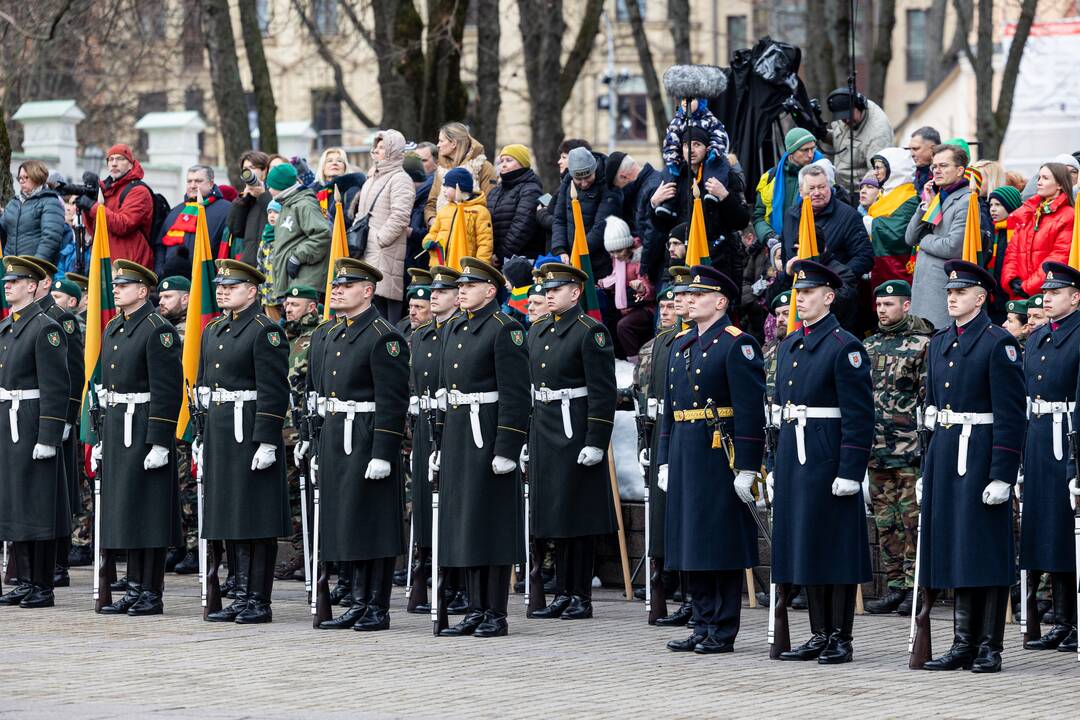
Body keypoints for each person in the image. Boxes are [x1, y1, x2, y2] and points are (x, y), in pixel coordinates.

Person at [918, 260, 1025, 673]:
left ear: (980, 298)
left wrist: (1002, 474)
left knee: (984, 549)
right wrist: (927, 469)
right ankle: (962, 641)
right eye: (949, 292)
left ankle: (988, 645)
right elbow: (931, 411)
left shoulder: (998, 343)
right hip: (947, 453)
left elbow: (1011, 415)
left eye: (960, 292)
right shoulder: (941, 341)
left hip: (980, 453)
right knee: (956, 549)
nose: (952, 298)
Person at [656, 265, 765, 654]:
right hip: (687, 448)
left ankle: (722, 627)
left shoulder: (737, 344)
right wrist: (665, 458)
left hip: (720, 452)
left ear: (720, 302)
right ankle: (701, 621)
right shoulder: (682, 344)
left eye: (698, 295)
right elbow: (670, 409)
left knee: (718, 541)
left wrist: (748, 467)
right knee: (689, 540)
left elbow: (751, 411)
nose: (688, 300)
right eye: (687, 295)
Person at [771, 259, 873, 664]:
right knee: (806, 545)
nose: (801, 298)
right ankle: (817, 633)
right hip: (796, 456)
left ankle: (839, 636)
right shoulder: (792, 344)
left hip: (827, 455)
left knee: (834, 548)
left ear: (829, 298)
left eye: (808, 292)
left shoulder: (843, 345)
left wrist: (850, 471)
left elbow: (859, 415)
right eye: (798, 292)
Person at [306, 259, 409, 631]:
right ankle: (355, 600)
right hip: (337, 433)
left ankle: (375, 606)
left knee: (371, 521)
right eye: (335, 286)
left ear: (368, 291)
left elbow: (393, 400)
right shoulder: (334, 333)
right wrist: (317, 446)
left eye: (346, 286)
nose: (336, 291)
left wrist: (383, 452)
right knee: (346, 520)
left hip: (365, 434)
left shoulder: (383, 335)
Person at [435, 257, 530, 638]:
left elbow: (516, 394)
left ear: (490, 291)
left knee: (490, 522)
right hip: (459, 432)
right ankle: (474, 607)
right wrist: (440, 440)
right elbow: (446, 392)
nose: (461, 291)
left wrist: (507, 446)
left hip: (487, 431)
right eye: (460, 286)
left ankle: (495, 611)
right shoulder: (456, 327)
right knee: (466, 523)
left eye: (469, 286)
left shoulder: (505, 330)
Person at [198, 259, 290, 624]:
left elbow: (273, 390)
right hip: (221, 429)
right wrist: (202, 435)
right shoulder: (215, 330)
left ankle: (257, 599)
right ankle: (238, 593)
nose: (222, 290)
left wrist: (267, 439)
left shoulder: (264, 331)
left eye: (231, 286)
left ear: (252, 292)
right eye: (220, 286)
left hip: (249, 428)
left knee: (254, 516)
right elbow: (206, 386)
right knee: (229, 515)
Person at [526, 262, 616, 622]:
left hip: (573, 427)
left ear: (575, 293)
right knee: (553, 514)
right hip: (544, 426)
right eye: (546, 290)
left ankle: (579, 594)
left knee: (576, 516)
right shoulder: (537, 331)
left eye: (556, 289)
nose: (549, 294)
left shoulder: (589, 332)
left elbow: (602, 390)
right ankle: (561, 591)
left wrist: (596, 439)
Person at [91, 260, 182, 615]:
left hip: (143, 424)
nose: (116, 290)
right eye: (116, 285)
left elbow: (167, 389)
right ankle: (132, 588)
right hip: (118, 425)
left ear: (143, 291)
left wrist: (160, 439)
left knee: (148, 510)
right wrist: (101, 437)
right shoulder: (115, 326)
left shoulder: (157, 329)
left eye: (124, 285)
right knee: (125, 509)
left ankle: (150, 591)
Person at [0, 256, 70, 609]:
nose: (8, 284)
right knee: (15, 502)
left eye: (17, 280)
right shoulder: (8, 328)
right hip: (8, 419)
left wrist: (48, 437)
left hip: (29, 419)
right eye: (7, 280)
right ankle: (25, 579)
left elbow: (56, 387)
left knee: (37, 503)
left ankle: (42, 584)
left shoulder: (45, 327)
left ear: (33, 285)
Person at [1018, 261, 1080, 651]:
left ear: (1075, 298)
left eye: (1055, 293)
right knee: (1048, 532)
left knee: (1070, 532)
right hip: (1040, 439)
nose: (1047, 298)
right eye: (1046, 292)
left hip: (1067, 439)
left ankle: (1074, 620)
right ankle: (1061, 620)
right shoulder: (1038, 338)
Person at [861, 280, 932, 616]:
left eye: (889, 305)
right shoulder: (869, 345)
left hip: (908, 450)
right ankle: (893, 586)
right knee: (885, 522)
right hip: (875, 450)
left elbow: (927, 399)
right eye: (879, 305)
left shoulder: (923, 345)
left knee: (911, 523)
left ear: (906, 306)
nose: (882, 311)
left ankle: (913, 587)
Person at [21, 257, 83, 589]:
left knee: (55, 494)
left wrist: (66, 420)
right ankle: (27, 568)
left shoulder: (60, 321)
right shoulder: (25, 319)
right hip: (31, 419)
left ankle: (58, 563)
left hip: (54, 419)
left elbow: (70, 377)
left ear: (41, 282)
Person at [406, 265, 461, 614]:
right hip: (425, 426)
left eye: (439, 292)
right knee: (425, 507)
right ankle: (428, 578)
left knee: (453, 507)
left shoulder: (457, 332)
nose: (432, 297)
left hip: (453, 425)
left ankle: (456, 585)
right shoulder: (423, 336)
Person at [779, 163, 874, 331]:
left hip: (835, 304)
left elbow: (865, 257)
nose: (817, 193)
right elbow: (787, 253)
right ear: (801, 191)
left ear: (830, 187)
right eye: (812, 188)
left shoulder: (848, 216)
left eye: (822, 187)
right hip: (797, 300)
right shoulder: (791, 215)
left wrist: (837, 278)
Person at [652, 128, 749, 284]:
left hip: (717, 263)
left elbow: (741, 221)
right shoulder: (675, 177)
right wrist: (654, 204)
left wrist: (724, 196)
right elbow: (663, 228)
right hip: (682, 265)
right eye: (686, 145)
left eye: (697, 144)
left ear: (707, 148)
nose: (691, 150)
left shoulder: (723, 176)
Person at [271, 284, 321, 582]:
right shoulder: (280, 338)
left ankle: (317, 554)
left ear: (311, 307)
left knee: (312, 494)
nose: (288, 308)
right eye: (286, 303)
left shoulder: (317, 337)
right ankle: (301, 554)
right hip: (280, 430)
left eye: (295, 304)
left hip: (305, 431)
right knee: (292, 499)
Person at [905, 143, 978, 330]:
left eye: (943, 166)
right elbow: (910, 238)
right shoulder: (936, 197)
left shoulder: (966, 200)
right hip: (923, 291)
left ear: (960, 170)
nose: (936, 171)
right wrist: (924, 207)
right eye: (934, 166)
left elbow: (953, 246)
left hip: (941, 293)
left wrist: (925, 240)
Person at [155, 275, 198, 574]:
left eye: (168, 297)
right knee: (169, 487)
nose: (161, 302)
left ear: (186, 299)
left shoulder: (194, 329)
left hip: (188, 416)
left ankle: (195, 546)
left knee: (189, 485)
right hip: (167, 414)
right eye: (160, 297)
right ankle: (177, 543)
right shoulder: (158, 330)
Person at [351, 129, 415, 324]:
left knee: (385, 307)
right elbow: (361, 213)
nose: (377, 150)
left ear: (393, 150)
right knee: (369, 303)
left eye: (382, 147)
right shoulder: (372, 179)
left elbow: (401, 215)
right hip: (366, 250)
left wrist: (381, 239)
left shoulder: (400, 179)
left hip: (384, 251)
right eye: (376, 146)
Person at [1002, 163, 1076, 299]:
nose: (1039, 182)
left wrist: (1028, 287)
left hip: (1049, 295)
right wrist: (1011, 280)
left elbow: (1059, 257)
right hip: (1019, 296)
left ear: (1060, 184)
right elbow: (1012, 252)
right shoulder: (1028, 212)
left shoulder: (1068, 215)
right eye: (1039, 178)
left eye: (1045, 178)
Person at [550, 147, 622, 279]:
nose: (583, 183)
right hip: (572, 257)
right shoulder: (567, 182)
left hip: (599, 259)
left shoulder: (608, 184)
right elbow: (559, 219)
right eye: (578, 179)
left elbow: (601, 226)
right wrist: (560, 249)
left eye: (588, 177)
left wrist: (578, 253)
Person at [266, 162, 331, 307]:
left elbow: (322, 234)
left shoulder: (304, 204)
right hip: (293, 279)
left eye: (270, 185)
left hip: (305, 279)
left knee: (304, 324)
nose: (268, 189)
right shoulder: (288, 204)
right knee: (293, 325)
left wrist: (297, 257)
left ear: (280, 186)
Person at [79, 144, 155, 267]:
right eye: (111, 159)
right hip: (104, 262)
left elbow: (123, 225)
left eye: (120, 159)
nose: (114, 163)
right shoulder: (105, 190)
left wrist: (93, 206)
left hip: (129, 266)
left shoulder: (139, 191)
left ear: (130, 164)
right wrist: (86, 210)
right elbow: (93, 230)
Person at [154, 165, 232, 276]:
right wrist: (160, 272)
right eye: (189, 181)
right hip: (173, 282)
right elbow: (160, 246)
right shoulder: (175, 211)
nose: (192, 185)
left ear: (211, 183)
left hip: (207, 281)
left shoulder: (226, 209)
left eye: (198, 181)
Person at [753, 128, 822, 248]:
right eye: (805, 150)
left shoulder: (823, 174)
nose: (811, 155)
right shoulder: (770, 177)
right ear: (791, 152)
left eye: (813, 149)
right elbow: (759, 216)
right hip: (778, 248)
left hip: (812, 245)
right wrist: (770, 236)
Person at [598, 216, 654, 360]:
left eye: (619, 251)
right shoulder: (618, 260)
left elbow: (648, 287)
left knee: (624, 326)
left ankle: (634, 362)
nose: (616, 255)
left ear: (628, 245)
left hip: (644, 307)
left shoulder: (639, 258)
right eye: (613, 252)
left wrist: (641, 288)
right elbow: (615, 278)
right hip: (625, 306)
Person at [424, 123, 498, 227]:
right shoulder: (441, 169)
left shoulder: (483, 167)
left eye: (441, 141)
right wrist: (432, 220)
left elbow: (490, 204)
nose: (438, 145)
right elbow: (431, 203)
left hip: (471, 233)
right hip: (441, 234)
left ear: (454, 143)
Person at [865, 148, 919, 287]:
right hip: (881, 265)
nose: (875, 172)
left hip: (898, 268)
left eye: (878, 168)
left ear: (893, 169)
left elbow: (900, 234)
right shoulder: (886, 193)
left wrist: (874, 225)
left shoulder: (909, 199)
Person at [822, 88, 894, 193]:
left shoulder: (878, 133)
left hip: (860, 192)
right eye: (842, 118)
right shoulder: (850, 119)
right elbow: (841, 143)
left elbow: (877, 173)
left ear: (860, 106)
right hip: (841, 187)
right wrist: (823, 134)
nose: (846, 121)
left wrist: (864, 196)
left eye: (849, 116)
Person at [423, 167, 494, 269]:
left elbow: (485, 243)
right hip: (440, 266)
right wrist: (428, 241)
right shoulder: (445, 210)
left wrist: (480, 268)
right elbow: (434, 232)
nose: (444, 191)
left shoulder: (480, 212)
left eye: (448, 187)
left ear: (459, 188)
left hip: (464, 268)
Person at [487, 144, 544, 262]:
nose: (503, 164)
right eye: (501, 160)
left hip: (520, 260)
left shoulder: (530, 189)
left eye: (509, 160)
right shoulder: (495, 191)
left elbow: (522, 227)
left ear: (522, 163)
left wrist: (501, 255)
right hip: (495, 259)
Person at [3, 160, 65, 263]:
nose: (22, 181)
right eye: (20, 178)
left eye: (26, 177)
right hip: (11, 268)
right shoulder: (13, 203)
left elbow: (50, 239)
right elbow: (3, 231)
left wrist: (35, 266)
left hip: (35, 270)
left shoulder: (50, 202)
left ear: (37, 176)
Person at [227, 150, 272, 266]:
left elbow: (277, 220)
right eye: (245, 168)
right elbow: (236, 230)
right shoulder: (246, 199)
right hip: (249, 262)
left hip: (269, 261)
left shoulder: (275, 195)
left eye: (252, 167)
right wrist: (243, 200)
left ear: (264, 171)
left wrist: (263, 195)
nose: (248, 172)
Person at [313, 146, 366, 226]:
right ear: (323, 167)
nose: (334, 163)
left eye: (339, 161)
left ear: (345, 167)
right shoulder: (313, 191)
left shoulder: (352, 190)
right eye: (329, 161)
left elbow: (348, 222)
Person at [403, 155, 434, 274]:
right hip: (411, 259)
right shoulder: (412, 196)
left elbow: (435, 232)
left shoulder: (428, 197)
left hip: (422, 262)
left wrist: (411, 232)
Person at [399, 269, 433, 338]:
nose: (412, 313)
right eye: (410, 306)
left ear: (433, 308)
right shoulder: (401, 327)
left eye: (419, 307)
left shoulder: (441, 333)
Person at [908, 127, 941, 197]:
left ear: (933, 148)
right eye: (910, 149)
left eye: (915, 149)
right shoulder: (909, 174)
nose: (911, 154)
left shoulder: (945, 174)